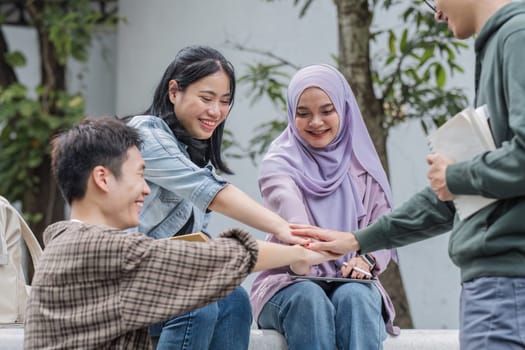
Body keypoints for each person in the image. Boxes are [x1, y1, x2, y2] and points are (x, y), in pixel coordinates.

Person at [291, 1, 525, 349]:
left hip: (507, 286)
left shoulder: (515, 36)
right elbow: (454, 198)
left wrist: (457, 175)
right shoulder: (502, 41)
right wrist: (357, 241)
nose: (437, 13)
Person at [23, 118, 336, 349]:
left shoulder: (66, 240)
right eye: (140, 175)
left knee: (230, 297)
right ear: (103, 178)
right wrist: (305, 250)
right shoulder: (99, 249)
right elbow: (216, 259)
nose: (146, 189)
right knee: (195, 294)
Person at [125, 45, 308, 350]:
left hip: (162, 285)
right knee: (197, 302)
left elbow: (198, 241)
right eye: (206, 98)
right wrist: (283, 229)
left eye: (225, 102)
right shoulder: (144, 135)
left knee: (234, 298)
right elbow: (212, 192)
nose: (216, 112)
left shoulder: (197, 156)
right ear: (174, 91)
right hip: (122, 287)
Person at [249, 64, 398, 350]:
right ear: (292, 115)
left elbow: (384, 228)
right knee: (309, 299)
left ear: (343, 109)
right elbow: (299, 240)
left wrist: (366, 260)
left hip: (352, 282)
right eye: (303, 114)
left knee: (355, 297)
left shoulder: (363, 165)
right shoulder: (279, 165)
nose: (315, 122)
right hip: (288, 282)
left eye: (327, 111)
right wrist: (331, 250)